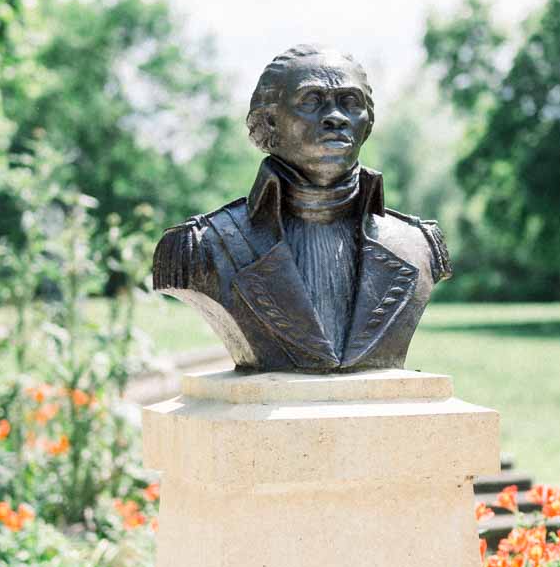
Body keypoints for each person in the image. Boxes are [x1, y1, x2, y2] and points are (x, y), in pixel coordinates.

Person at [153, 42, 450, 373]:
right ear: (269, 122)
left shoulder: (418, 246)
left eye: (351, 103)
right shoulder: (203, 248)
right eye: (311, 101)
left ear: (367, 123)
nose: (335, 117)